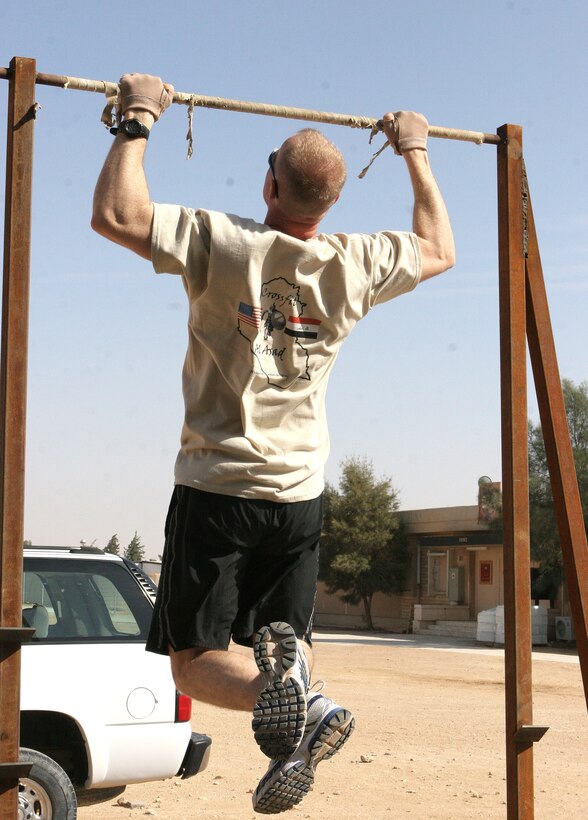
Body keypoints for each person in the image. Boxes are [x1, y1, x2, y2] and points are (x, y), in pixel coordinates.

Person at [92, 73, 455, 814]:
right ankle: (297, 724)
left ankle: (301, 706)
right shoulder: (355, 261)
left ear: (269, 184)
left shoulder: (222, 241)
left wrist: (138, 117)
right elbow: (440, 247)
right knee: (288, 636)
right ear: (332, 202)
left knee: (192, 665)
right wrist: (414, 150)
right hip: (298, 495)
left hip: (219, 486)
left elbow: (115, 214)